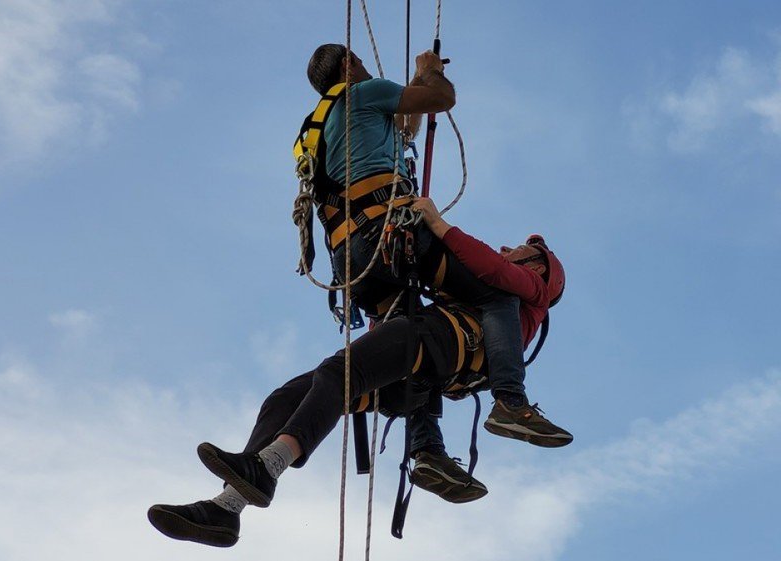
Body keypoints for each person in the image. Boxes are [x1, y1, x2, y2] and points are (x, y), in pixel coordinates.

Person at [147, 206, 567, 548]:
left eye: (521, 249)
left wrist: (435, 223)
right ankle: (227, 508)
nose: (507, 247)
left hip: (444, 344)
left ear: (540, 267)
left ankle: (269, 465)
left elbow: (489, 266)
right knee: (286, 397)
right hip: (420, 369)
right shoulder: (487, 298)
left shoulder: (530, 289)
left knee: (338, 373)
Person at [300, 44, 567, 452]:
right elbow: (441, 100)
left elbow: (405, 128)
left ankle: (426, 449)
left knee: (410, 339)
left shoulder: (319, 128)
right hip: (386, 235)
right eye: (360, 62)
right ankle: (511, 401)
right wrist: (431, 73)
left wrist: (418, 79)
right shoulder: (363, 92)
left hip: (349, 260)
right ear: (348, 64)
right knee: (497, 295)